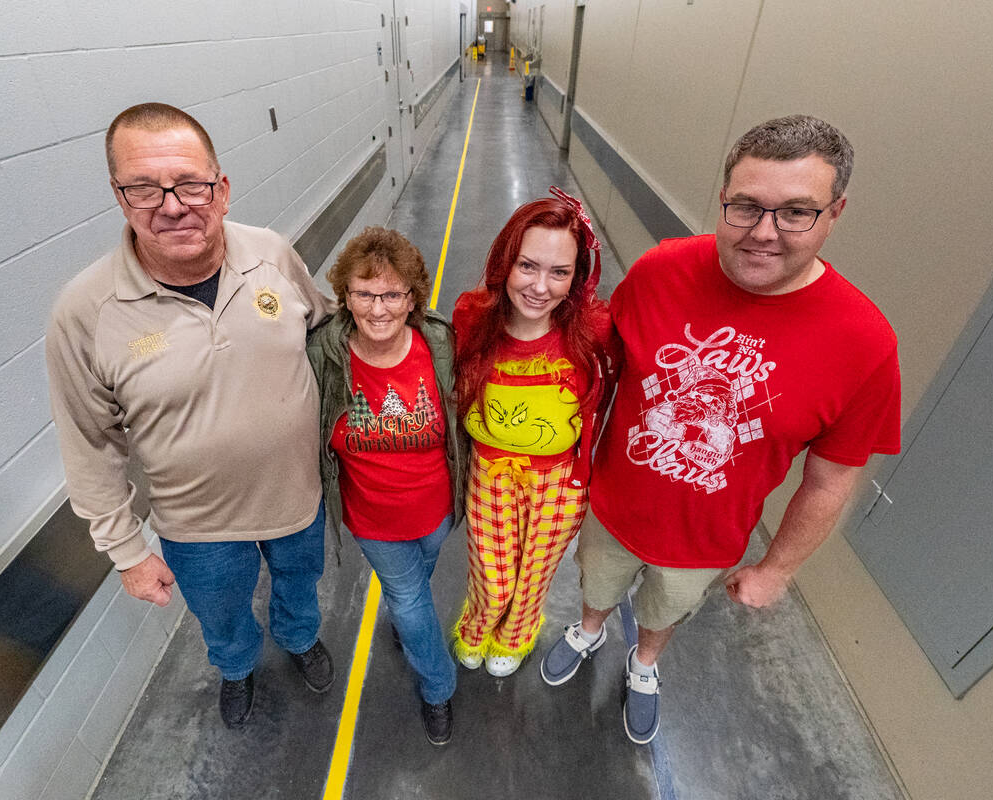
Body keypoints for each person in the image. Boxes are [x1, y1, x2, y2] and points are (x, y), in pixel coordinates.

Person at [539, 115, 901, 745]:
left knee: (664, 610)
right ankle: (589, 629)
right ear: (724, 198)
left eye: (796, 212)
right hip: (612, 506)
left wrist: (777, 569)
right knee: (595, 582)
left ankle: (645, 665)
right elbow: (596, 363)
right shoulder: (661, 269)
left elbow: (831, 479)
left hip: (706, 539)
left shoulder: (864, 343)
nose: (764, 233)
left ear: (835, 212)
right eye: (745, 207)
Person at [45, 102, 336, 730]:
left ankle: (298, 638)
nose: (172, 205)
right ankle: (236, 669)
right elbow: (88, 446)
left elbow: (324, 331)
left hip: (297, 499)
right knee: (221, 614)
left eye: (191, 184)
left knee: (298, 585)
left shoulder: (272, 255)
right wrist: (126, 551)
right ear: (120, 198)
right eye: (145, 188)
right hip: (196, 529)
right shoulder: (86, 311)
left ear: (222, 189)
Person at [306, 227, 465, 745]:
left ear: (413, 298)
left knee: (417, 581)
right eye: (364, 293)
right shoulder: (324, 355)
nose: (378, 308)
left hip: (437, 512)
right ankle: (438, 688)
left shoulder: (438, 345)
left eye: (392, 294)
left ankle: (407, 620)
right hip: (373, 519)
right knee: (411, 600)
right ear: (345, 297)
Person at [451, 188, 612, 677]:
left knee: (532, 577)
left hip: (560, 483)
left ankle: (517, 635)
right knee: (494, 578)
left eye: (559, 272)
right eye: (527, 266)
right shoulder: (472, 316)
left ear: (576, 277)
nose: (540, 286)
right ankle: (477, 625)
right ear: (505, 263)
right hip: (492, 474)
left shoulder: (593, 330)